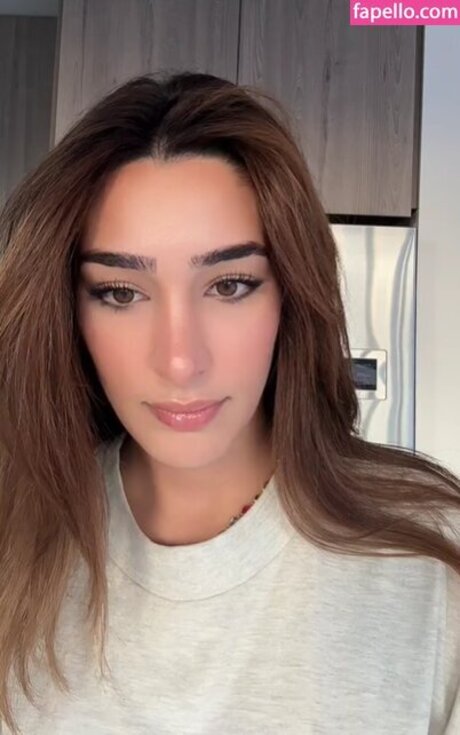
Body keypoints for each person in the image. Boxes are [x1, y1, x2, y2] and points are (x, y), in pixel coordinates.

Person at [0, 71, 459, 735]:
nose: (180, 359)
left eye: (230, 285)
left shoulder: (432, 562)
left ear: (290, 295)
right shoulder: (17, 538)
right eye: (121, 293)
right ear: (68, 313)